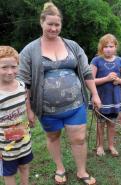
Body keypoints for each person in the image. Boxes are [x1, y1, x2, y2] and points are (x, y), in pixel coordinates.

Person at [18, 2, 101, 185]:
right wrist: (29, 109)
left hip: (75, 104)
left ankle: (81, 171)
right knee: (53, 136)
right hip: (47, 109)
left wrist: (94, 94)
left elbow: (86, 71)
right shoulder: (30, 51)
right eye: (50, 24)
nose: (54, 28)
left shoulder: (72, 46)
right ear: (42, 23)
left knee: (79, 138)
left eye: (57, 25)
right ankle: (60, 168)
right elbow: (24, 83)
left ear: (61, 25)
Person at [0, 46, 34, 185]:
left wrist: (30, 112)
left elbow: (25, 99)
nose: (10, 72)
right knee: (9, 173)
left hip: (23, 139)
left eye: (13, 67)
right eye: (4, 67)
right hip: (5, 147)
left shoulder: (21, 85)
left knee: (25, 166)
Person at [91, 34, 121, 157]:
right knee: (100, 124)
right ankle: (100, 146)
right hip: (101, 99)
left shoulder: (120, 61)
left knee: (112, 124)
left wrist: (118, 80)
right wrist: (106, 78)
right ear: (101, 48)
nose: (108, 49)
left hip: (114, 99)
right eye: (105, 46)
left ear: (115, 47)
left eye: (111, 46)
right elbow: (91, 80)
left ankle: (111, 145)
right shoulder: (96, 60)